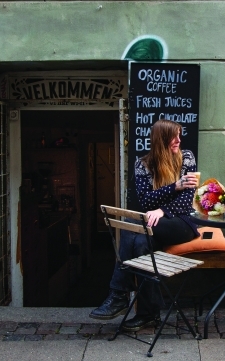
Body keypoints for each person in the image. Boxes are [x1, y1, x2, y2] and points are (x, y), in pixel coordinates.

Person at [89, 119, 200, 332]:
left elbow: (186, 201)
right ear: (162, 139)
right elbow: (146, 201)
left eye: (179, 135)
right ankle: (147, 314)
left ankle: (118, 293)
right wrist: (174, 187)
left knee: (133, 223)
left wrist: (163, 210)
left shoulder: (187, 158)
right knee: (141, 244)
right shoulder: (143, 164)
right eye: (174, 136)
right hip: (155, 226)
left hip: (182, 223)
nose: (179, 140)